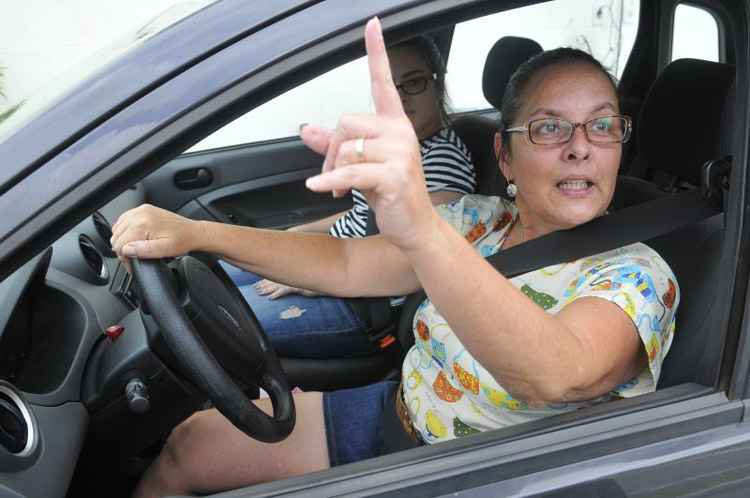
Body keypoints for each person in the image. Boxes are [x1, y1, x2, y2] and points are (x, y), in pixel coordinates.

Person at [112, 18, 678, 498]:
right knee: (189, 445)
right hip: (397, 411)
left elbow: (558, 375)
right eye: (549, 127)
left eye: (602, 126)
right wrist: (198, 233)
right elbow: (345, 264)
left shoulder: (637, 274)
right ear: (504, 156)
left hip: (468, 475)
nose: (579, 146)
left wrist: (422, 231)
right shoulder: (481, 220)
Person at [222, 34, 476, 359]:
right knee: (215, 274)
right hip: (332, 258)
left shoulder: (444, 158)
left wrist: (310, 281)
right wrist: (305, 233)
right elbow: (363, 217)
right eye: (388, 85)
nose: (399, 98)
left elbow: (415, 260)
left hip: (362, 299)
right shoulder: (405, 148)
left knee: (220, 321)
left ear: (438, 85)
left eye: (413, 83)